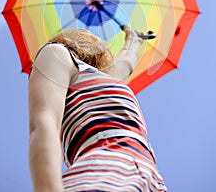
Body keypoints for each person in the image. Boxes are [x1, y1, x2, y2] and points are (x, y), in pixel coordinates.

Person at [28, 27, 167, 192]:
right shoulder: (58, 54)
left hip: (151, 180)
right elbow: (45, 122)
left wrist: (134, 39)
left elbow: (126, 62)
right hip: (102, 169)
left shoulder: (105, 79)